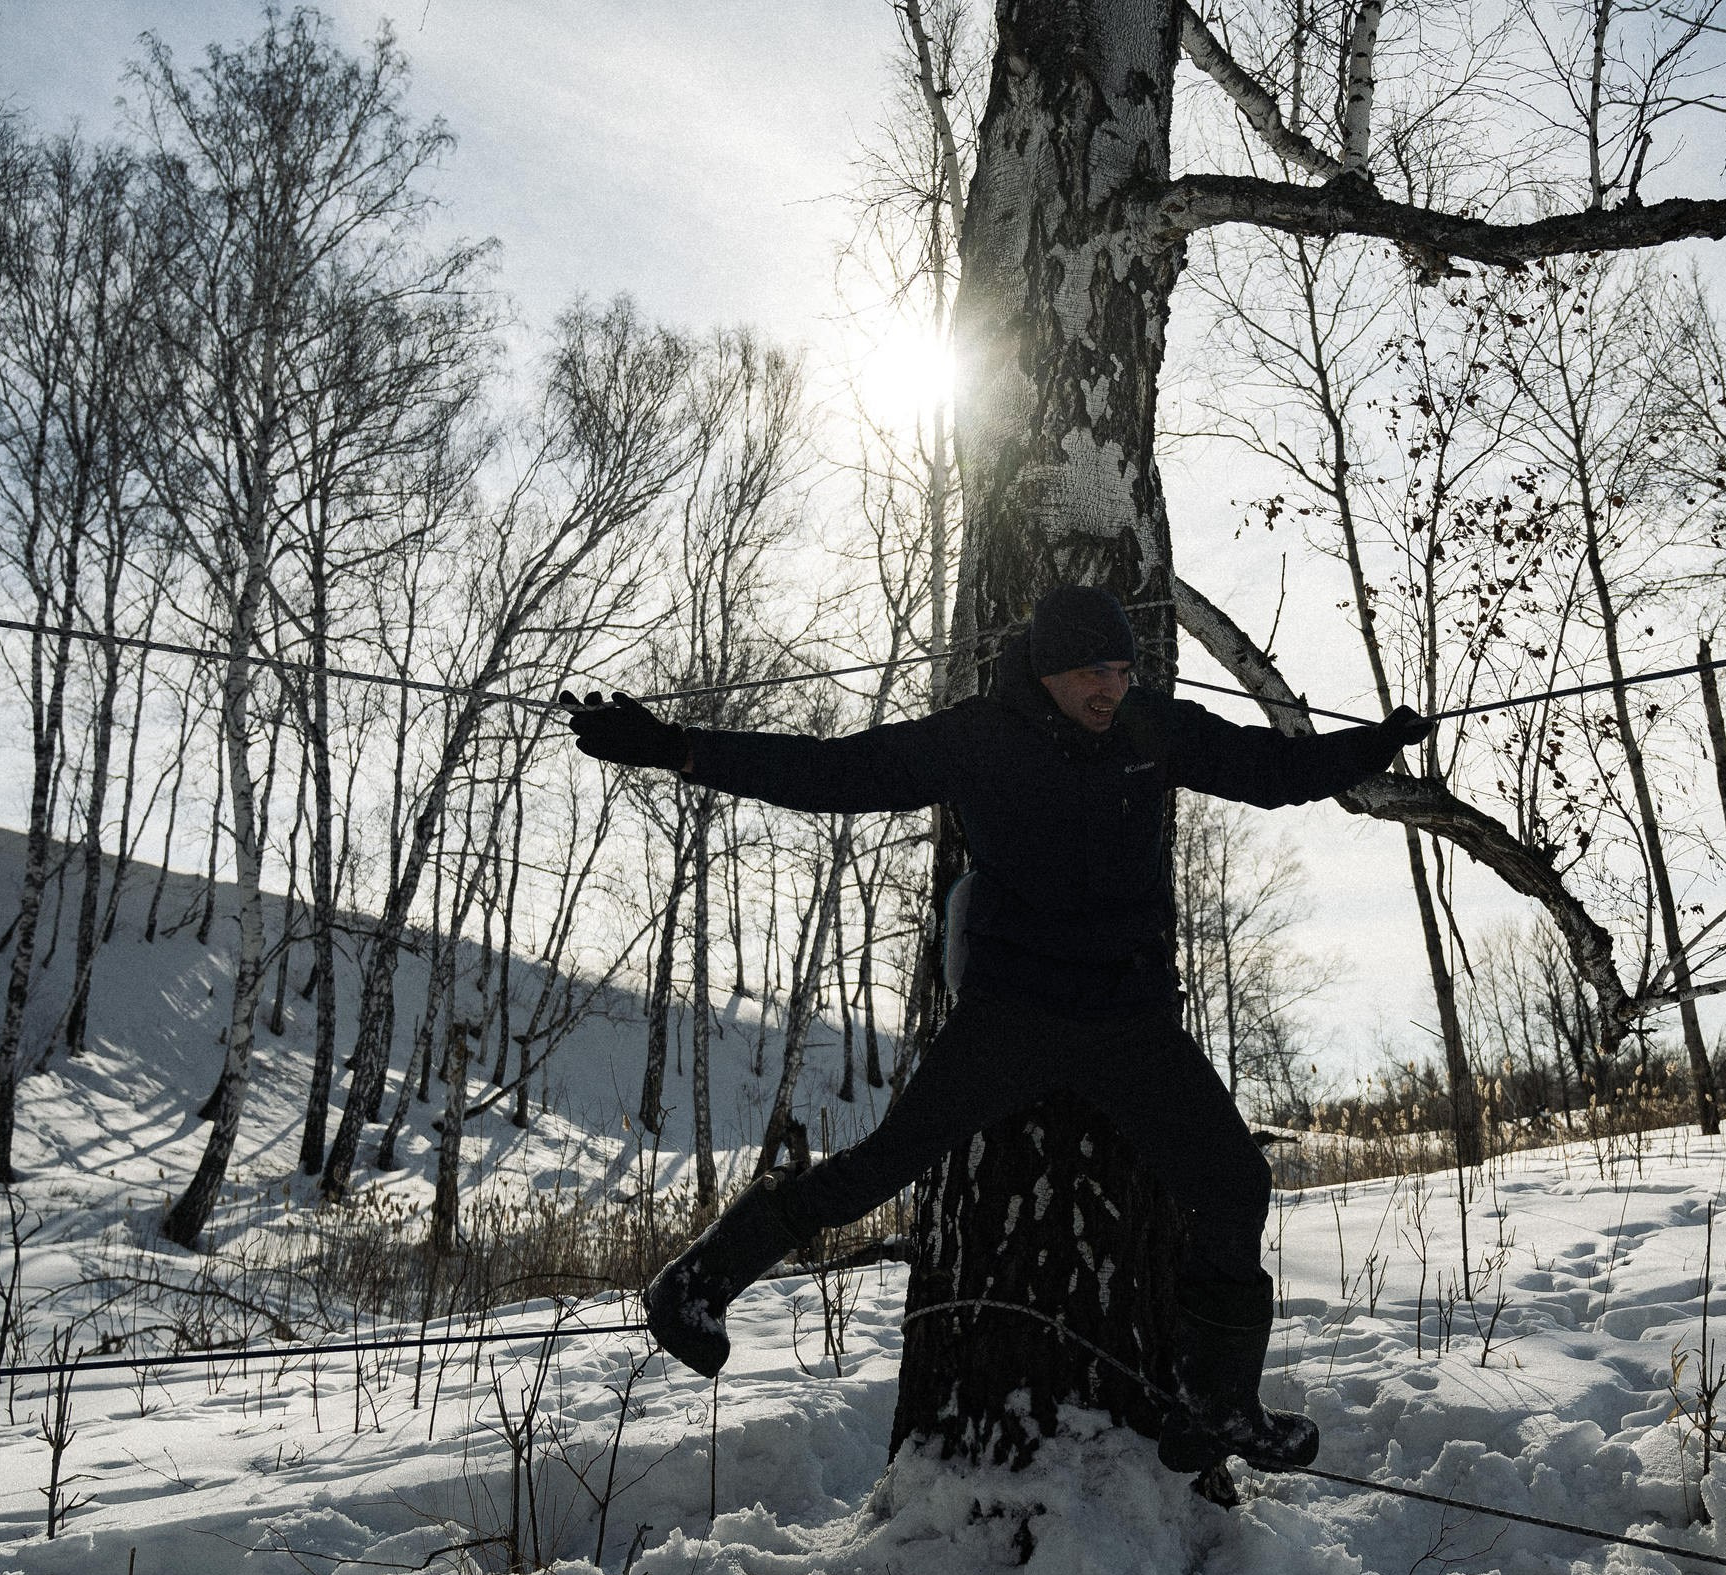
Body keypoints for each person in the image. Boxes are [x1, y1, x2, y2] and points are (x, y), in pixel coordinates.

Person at [560, 583, 1429, 1472]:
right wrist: (677, 750)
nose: (1113, 688)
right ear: (1050, 670)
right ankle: (696, 1285)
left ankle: (1216, 1405)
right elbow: (832, 773)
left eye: (1125, 670)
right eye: (1096, 671)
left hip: (1129, 1018)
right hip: (1013, 1014)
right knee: (885, 1162)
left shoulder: (1148, 728)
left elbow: (1269, 773)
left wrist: (1372, 746)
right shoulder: (979, 738)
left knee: (1234, 1183)